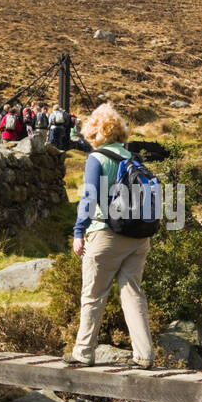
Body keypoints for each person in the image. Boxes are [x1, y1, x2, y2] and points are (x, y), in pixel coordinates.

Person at [66, 103, 154, 368]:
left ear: (96, 132)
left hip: (105, 234)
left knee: (93, 295)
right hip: (139, 237)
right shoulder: (133, 158)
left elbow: (89, 198)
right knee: (132, 294)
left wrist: (78, 232)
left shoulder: (97, 158)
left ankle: (83, 352)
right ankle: (145, 356)